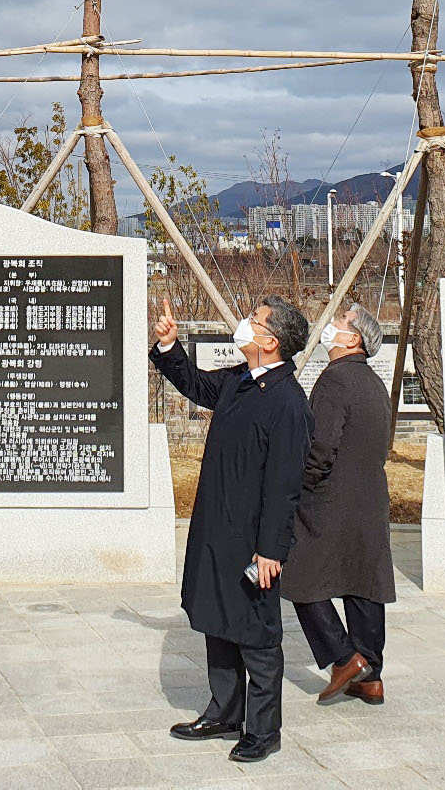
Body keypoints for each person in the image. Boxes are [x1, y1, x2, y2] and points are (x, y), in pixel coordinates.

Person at [151, 295, 312, 764]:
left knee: (257, 634)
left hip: (253, 541)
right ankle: (224, 711)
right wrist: (169, 348)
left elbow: (285, 487)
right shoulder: (242, 380)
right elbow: (199, 386)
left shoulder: (288, 402)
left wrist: (270, 551)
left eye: (254, 321)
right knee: (216, 620)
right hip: (216, 528)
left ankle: (264, 730)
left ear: (270, 341)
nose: (245, 324)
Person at [282, 302, 396, 705]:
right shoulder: (373, 382)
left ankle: (344, 658)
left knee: (297, 574)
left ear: (353, 339)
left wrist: (299, 486)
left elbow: (321, 446)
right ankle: (372, 676)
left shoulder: (334, 381)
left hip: (329, 500)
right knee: (364, 584)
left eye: (340, 321)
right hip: (369, 499)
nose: (330, 325)